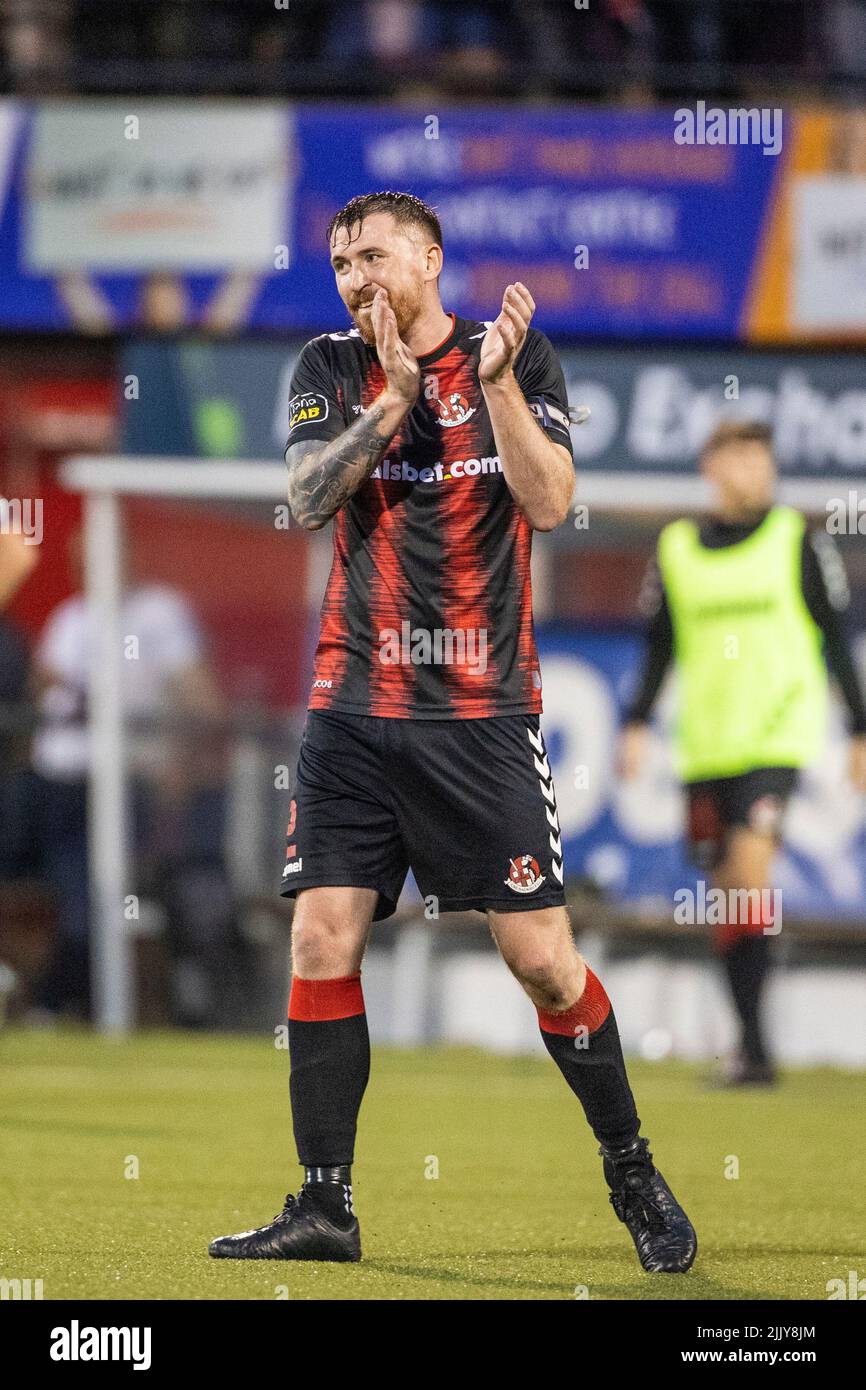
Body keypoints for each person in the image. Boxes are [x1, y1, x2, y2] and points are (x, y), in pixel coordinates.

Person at [208, 189, 697, 1272]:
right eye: (340, 262)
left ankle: (628, 1167)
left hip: (478, 718)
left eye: (373, 254)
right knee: (320, 935)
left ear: (429, 257)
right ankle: (325, 1203)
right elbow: (302, 500)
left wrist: (489, 390)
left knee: (541, 963)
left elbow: (548, 500)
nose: (355, 276)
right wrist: (386, 403)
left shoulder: (516, 358)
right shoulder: (327, 370)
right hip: (349, 708)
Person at [619, 420, 866, 1086]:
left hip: (777, 741)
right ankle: (750, 1048)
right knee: (726, 897)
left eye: (765, 459)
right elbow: (659, 644)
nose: (759, 472)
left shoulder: (798, 540)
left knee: (752, 874)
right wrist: (635, 724)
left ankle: (756, 1048)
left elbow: (837, 638)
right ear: (713, 465)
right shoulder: (677, 547)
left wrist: (860, 730)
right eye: (745, 458)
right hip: (704, 748)